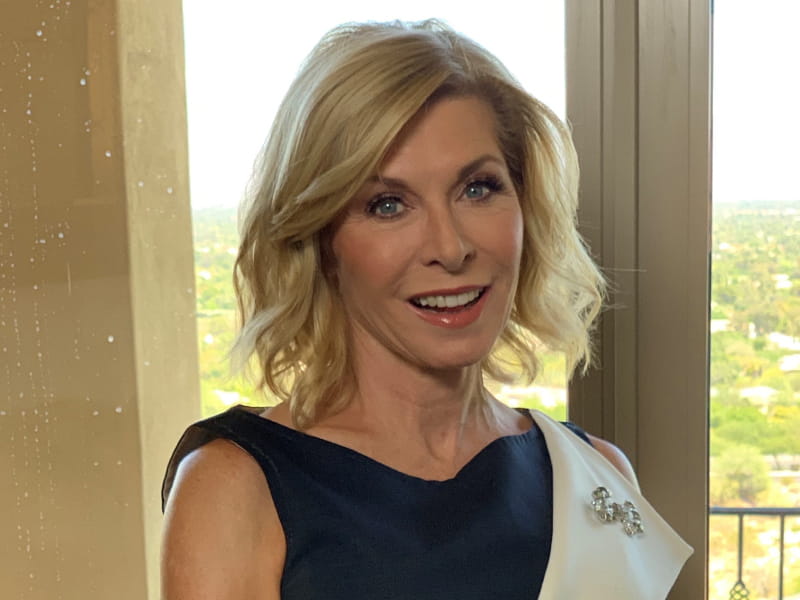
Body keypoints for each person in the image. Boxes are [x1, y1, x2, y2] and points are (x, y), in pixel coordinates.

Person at [161, 20, 691, 599]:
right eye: (388, 204)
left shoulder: (596, 475)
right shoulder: (236, 487)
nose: (450, 247)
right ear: (321, 239)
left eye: (478, 188)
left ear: (525, 207)